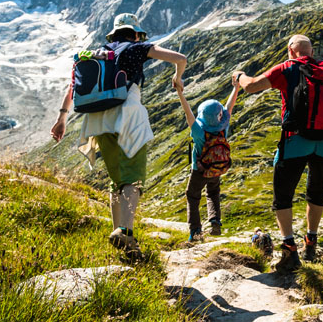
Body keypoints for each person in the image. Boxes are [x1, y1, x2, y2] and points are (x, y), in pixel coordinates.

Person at [232, 34, 323, 273]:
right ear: (310, 50)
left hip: (296, 140)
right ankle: (311, 244)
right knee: (316, 193)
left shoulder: (288, 68)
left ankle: (289, 250)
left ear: (290, 50)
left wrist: (238, 76)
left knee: (283, 195)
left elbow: (252, 86)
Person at [50, 13, 187, 259]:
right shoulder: (136, 48)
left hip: (98, 120)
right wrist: (177, 76)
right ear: (135, 33)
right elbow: (180, 58)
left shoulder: (96, 54)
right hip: (128, 116)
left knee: (116, 180)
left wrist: (61, 118)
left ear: (112, 34)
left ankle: (120, 233)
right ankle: (125, 232)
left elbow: (73, 88)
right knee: (132, 179)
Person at [176, 75, 240, 242]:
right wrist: (236, 87)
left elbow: (187, 112)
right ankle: (215, 221)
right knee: (213, 193)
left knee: (193, 196)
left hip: (199, 170)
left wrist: (180, 92)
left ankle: (196, 232)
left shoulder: (198, 131)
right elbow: (229, 107)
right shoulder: (223, 127)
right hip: (216, 168)